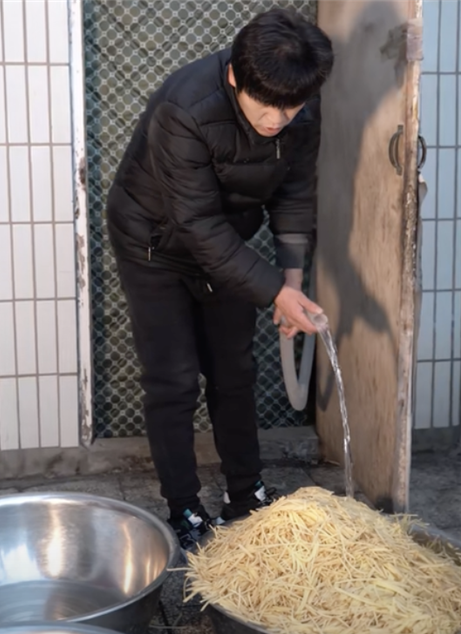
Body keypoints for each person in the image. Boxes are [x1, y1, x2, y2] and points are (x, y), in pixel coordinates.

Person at [106, 8, 334, 551]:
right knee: (175, 379)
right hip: (155, 242)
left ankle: (246, 494)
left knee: (234, 369)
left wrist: (292, 283)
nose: (280, 120)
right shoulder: (184, 107)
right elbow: (196, 224)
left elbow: (295, 193)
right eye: (268, 107)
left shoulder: (298, 97)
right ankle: (184, 508)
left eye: (292, 107)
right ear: (235, 75)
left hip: (227, 241)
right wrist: (274, 289)